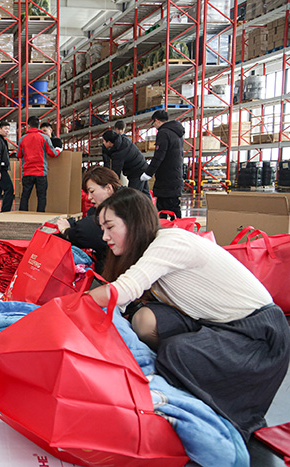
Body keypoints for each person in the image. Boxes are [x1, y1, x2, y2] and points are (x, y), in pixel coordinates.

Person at [88, 188, 290, 441]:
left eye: (110, 227)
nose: (104, 236)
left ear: (134, 222)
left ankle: (199, 408)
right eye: (102, 229)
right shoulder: (145, 249)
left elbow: (123, 290)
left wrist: (70, 305)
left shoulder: (170, 242)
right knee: (143, 319)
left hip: (259, 335)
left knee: (177, 352)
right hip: (216, 323)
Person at [54, 166, 121, 273]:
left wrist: (66, 231)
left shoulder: (120, 209)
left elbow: (89, 231)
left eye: (92, 191)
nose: (89, 197)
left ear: (108, 188)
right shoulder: (120, 202)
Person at [141, 110, 185, 219]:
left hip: (166, 179)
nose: (154, 126)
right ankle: (177, 226)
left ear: (157, 120)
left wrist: (148, 173)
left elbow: (159, 156)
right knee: (173, 207)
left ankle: (165, 227)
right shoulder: (177, 133)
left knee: (163, 208)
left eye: (153, 123)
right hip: (175, 177)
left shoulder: (163, 133)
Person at [17, 116, 61, 212]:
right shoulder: (44, 137)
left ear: (28, 126)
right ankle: (40, 216)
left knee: (25, 196)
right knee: (41, 197)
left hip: (27, 172)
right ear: (39, 125)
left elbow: (19, 155)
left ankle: (22, 215)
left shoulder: (23, 139)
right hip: (40, 172)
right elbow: (52, 153)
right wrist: (58, 150)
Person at [101, 129, 149, 196]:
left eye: (103, 141)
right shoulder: (122, 141)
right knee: (144, 192)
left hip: (137, 171)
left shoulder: (119, 153)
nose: (103, 143)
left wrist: (110, 185)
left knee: (133, 194)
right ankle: (149, 202)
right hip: (142, 166)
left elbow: (116, 172)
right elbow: (107, 161)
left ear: (109, 142)